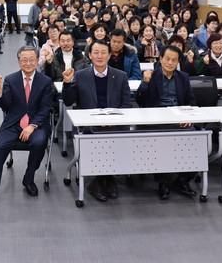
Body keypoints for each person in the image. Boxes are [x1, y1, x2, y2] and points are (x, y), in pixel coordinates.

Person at [0, 46, 55, 208]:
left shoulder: (45, 81)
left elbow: (45, 108)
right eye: (24, 60)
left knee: (40, 142)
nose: (28, 63)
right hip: (13, 124)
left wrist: (33, 126)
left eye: (31, 60)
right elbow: (5, 105)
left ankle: (28, 178)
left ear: (37, 61)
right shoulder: (10, 79)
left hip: (37, 124)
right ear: (19, 61)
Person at [62, 40, 131, 201]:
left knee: (115, 136)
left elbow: (126, 105)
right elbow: (68, 101)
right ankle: (104, 179)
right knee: (96, 136)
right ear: (90, 55)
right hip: (88, 125)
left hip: (114, 124)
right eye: (96, 53)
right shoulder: (80, 75)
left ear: (109, 55)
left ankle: (103, 179)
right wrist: (67, 83)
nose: (99, 56)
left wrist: (115, 120)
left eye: (103, 52)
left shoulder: (120, 76)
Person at [136, 45, 198, 200]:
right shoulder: (152, 75)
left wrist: (187, 117)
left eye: (174, 60)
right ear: (161, 59)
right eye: (167, 59)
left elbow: (191, 101)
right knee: (160, 140)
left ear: (178, 62)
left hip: (179, 118)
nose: (170, 62)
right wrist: (145, 82)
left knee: (197, 137)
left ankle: (183, 179)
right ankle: (162, 181)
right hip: (157, 118)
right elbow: (140, 100)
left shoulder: (183, 77)